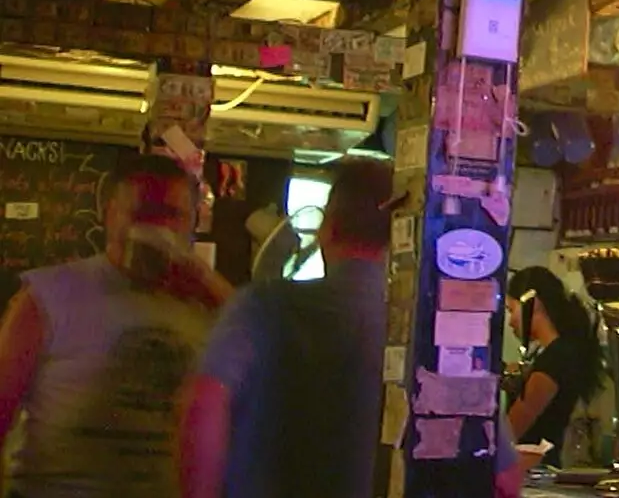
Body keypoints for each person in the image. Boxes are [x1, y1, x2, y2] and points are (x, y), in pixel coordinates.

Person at [0, 152, 231, 498]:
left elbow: (271, 387)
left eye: (173, 216)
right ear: (109, 216)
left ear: (193, 222)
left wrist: (214, 290)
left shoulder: (209, 305)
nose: (158, 229)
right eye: (142, 215)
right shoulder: (48, 296)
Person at [177, 157, 396, 498]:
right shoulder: (423, 334)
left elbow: (204, 401)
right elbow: (498, 472)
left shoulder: (263, 305)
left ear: (328, 229)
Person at [504, 266, 605, 469]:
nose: (510, 322)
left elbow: (512, 429)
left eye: (511, 309)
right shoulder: (558, 353)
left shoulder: (555, 359)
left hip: (539, 472)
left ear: (533, 303)